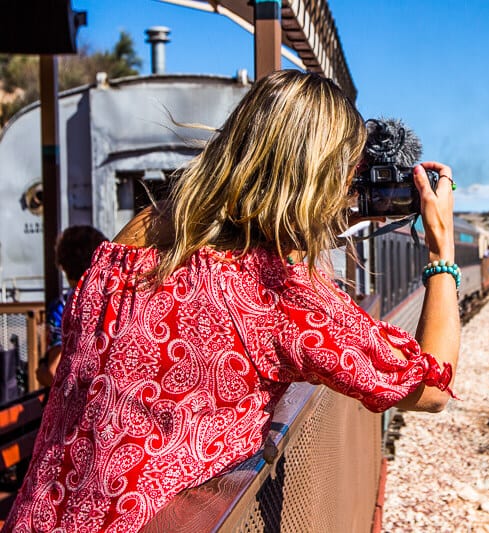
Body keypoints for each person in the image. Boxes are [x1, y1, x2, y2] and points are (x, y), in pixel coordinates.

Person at [3, 70, 460, 532]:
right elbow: (432, 388)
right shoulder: (278, 294)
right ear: (319, 180)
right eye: (345, 179)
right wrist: (441, 251)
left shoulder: (133, 238)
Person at [36, 225, 108, 387]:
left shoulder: (64, 305)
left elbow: (53, 371)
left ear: (63, 265)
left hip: (76, 402)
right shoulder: (113, 298)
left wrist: (42, 373)